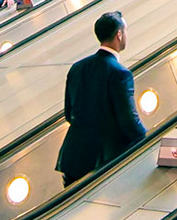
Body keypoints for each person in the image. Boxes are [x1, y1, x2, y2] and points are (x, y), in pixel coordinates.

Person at [56, 12, 149, 187]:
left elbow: (69, 114)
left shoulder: (77, 68)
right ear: (119, 35)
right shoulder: (120, 73)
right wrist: (149, 141)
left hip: (73, 159)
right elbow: (129, 121)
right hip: (103, 161)